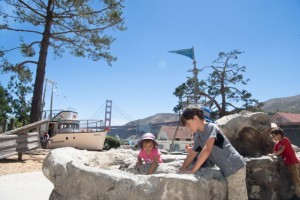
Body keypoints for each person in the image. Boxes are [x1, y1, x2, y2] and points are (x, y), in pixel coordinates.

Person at [178, 107, 248, 200]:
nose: (188, 128)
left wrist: (193, 170)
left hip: (235, 166)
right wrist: (182, 169)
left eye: (188, 124)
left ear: (195, 118)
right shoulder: (199, 135)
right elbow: (192, 154)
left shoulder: (211, 127)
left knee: (237, 197)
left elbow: (207, 149)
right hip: (227, 168)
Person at [268, 127, 300, 198]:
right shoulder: (277, 143)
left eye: (273, 136)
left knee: (296, 180)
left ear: (279, 135)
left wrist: (273, 155)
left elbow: (281, 150)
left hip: (293, 162)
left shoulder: (285, 139)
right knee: (293, 180)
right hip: (288, 164)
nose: (273, 138)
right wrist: (272, 154)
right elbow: (275, 152)